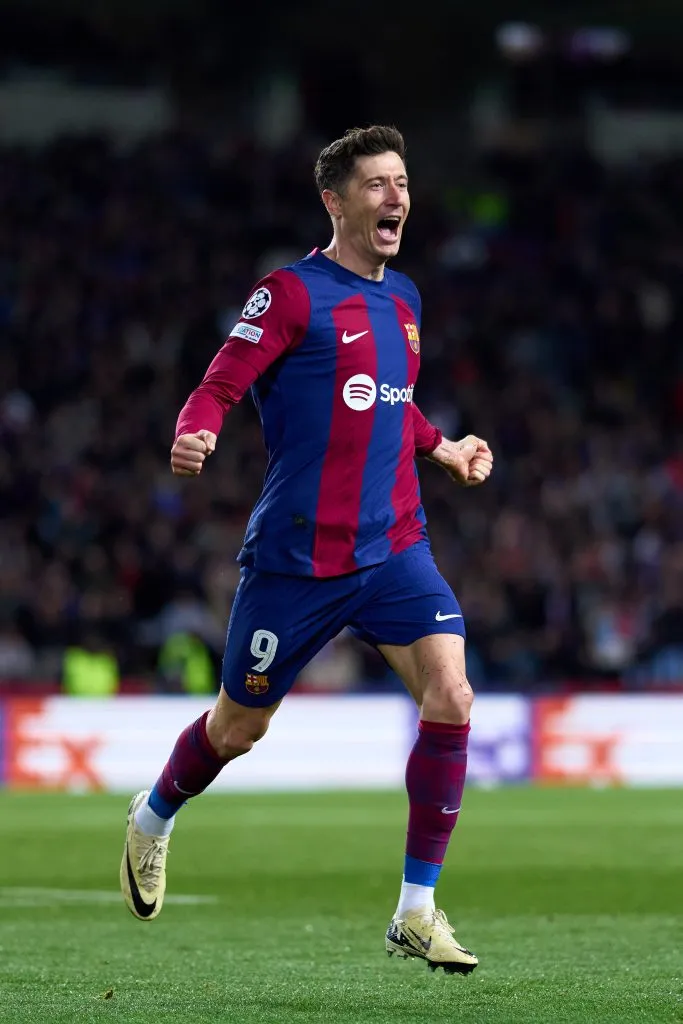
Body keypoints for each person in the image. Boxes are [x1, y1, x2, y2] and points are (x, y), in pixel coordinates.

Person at [120, 125, 493, 975]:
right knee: (239, 726)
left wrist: (440, 448)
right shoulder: (290, 293)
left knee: (452, 694)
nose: (395, 197)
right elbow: (220, 383)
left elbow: (391, 403)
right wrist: (194, 432)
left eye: (402, 182)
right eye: (376, 185)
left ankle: (415, 910)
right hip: (297, 558)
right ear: (334, 201)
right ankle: (153, 815)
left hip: (394, 545)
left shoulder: (406, 299)